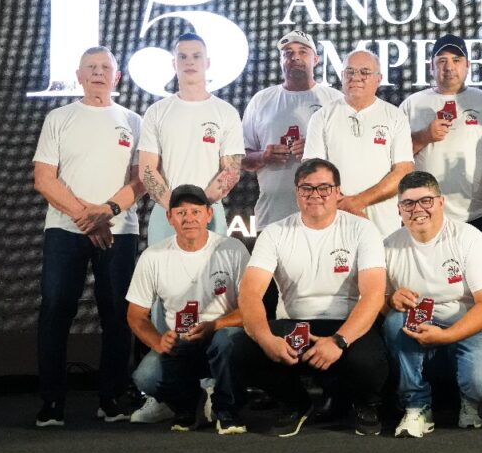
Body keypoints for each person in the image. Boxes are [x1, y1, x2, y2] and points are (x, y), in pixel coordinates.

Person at [133, 31, 245, 422]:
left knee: (217, 294)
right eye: (183, 56)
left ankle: (213, 386)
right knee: (163, 303)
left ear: (208, 62)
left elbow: (231, 168)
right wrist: (177, 208)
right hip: (166, 216)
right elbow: (148, 169)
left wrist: (200, 207)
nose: (190, 62)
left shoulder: (225, 112)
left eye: (197, 55)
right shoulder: (158, 111)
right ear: (174, 64)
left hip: (210, 213)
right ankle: (167, 392)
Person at [32, 46, 145, 427]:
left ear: (116, 77)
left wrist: (106, 213)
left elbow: (140, 181)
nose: (98, 73)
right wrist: (86, 217)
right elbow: (44, 179)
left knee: (117, 314)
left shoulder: (133, 121)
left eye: (105, 67)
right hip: (66, 228)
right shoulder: (59, 118)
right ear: (79, 76)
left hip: (119, 230)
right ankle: (52, 402)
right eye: (91, 67)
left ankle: (110, 398)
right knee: (55, 309)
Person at [237, 158, 389, 436]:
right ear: (297, 192)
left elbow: (374, 294)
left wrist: (339, 341)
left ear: (338, 192)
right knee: (241, 350)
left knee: (369, 362)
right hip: (294, 324)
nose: (315, 195)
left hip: (346, 323)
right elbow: (249, 293)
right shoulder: (274, 233)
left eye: (323, 188)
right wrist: (266, 339)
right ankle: (296, 403)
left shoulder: (362, 229)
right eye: (306, 188)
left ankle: (364, 403)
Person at [383, 171, 482, 438]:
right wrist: (390, 300)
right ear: (399, 209)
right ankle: (416, 405)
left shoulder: (469, 238)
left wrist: (446, 336)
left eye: (426, 201)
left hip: (473, 328)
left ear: (441, 203)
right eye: (408, 203)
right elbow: (378, 303)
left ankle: (471, 397)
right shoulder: (390, 246)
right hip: (421, 328)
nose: (417, 209)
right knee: (394, 320)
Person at [125, 185, 250, 434]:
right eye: (181, 213)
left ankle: (227, 410)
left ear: (209, 215)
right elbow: (135, 315)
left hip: (222, 334)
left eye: (195, 211)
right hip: (181, 342)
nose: (189, 219)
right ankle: (188, 404)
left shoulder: (233, 249)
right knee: (146, 376)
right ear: (169, 218)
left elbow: (252, 309)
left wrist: (215, 325)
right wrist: (159, 342)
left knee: (227, 342)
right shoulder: (153, 256)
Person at [400, 34, 482, 253]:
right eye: (441, 61)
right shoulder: (411, 105)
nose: (449, 67)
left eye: (456, 60)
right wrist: (425, 136)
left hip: (481, 214)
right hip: (426, 216)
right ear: (431, 67)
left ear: (468, 65)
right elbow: (394, 160)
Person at [303, 50, 413, 237]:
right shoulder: (321, 117)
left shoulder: (396, 117)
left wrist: (357, 202)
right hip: (334, 223)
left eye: (365, 72)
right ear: (342, 76)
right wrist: (343, 204)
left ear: (379, 78)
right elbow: (311, 171)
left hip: (384, 228)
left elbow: (403, 171)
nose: (356, 77)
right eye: (350, 72)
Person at [242, 29, 342, 229]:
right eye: (288, 53)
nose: (295, 57)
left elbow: (351, 153)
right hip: (273, 216)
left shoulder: (335, 101)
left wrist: (315, 150)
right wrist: (263, 156)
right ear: (281, 61)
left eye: (303, 52)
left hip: (326, 216)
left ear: (316, 60)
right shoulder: (261, 100)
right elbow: (241, 158)